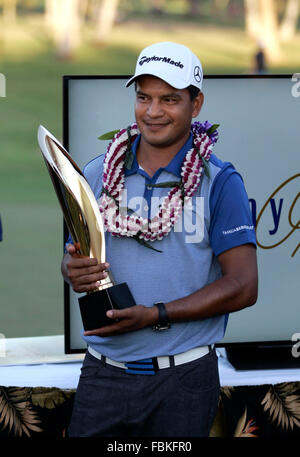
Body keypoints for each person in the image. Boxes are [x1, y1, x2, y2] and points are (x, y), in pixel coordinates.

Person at [62, 41, 258, 437]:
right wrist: (72, 270)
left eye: (169, 99)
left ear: (195, 104)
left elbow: (243, 286)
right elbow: (73, 260)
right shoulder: (97, 172)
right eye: (144, 97)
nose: (152, 112)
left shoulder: (220, 181)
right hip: (104, 373)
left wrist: (157, 315)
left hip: (182, 378)